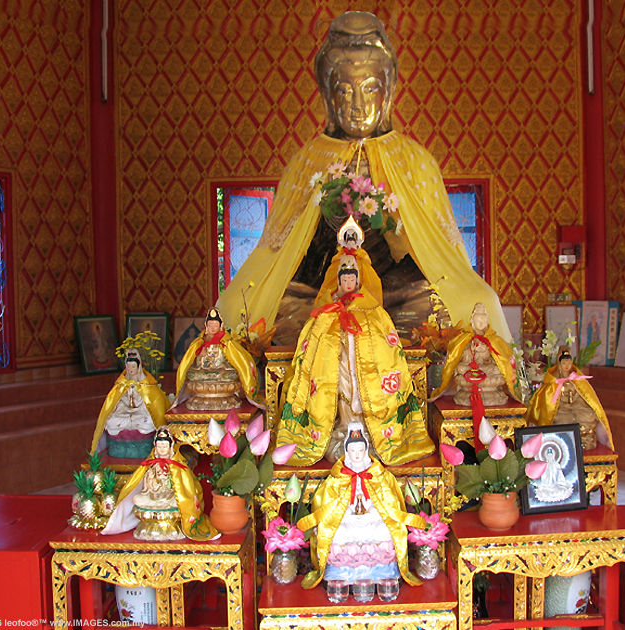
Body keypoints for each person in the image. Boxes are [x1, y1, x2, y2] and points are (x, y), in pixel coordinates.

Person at [216, 11, 510, 344]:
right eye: (344, 91)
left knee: (458, 307)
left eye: (370, 90)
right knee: (257, 310)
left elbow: (436, 254)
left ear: (389, 91)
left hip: (395, 292)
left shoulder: (414, 161)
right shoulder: (308, 161)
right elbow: (284, 256)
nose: (358, 105)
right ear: (328, 96)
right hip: (322, 288)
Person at [275, 218, 434, 466]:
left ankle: (370, 431)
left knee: (362, 391)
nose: (348, 282)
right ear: (338, 280)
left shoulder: (371, 310)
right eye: (344, 278)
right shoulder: (328, 311)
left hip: (362, 361)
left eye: (352, 278)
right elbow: (319, 336)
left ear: (359, 280)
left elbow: (384, 339)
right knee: (341, 394)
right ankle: (343, 428)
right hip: (339, 360)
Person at [296, 423, 425, 601]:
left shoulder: (378, 474)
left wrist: (372, 511)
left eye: (360, 450)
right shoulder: (338, 477)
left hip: (372, 515)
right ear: (346, 452)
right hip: (346, 517)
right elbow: (328, 504)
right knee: (338, 534)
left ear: (366, 450)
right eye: (353, 451)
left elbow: (388, 501)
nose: (357, 455)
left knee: (384, 531)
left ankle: (384, 575)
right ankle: (340, 577)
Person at [101, 427, 218, 540]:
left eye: (164, 446)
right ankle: (151, 523)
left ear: (170, 446)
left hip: (169, 497)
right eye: (159, 446)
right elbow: (146, 487)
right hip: (154, 496)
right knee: (137, 499)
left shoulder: (178, 466)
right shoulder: (151, 465)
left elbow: (185, 488)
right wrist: (153, 481)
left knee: (178, 503)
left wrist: (169, 486)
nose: (162, 449)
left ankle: (172, 525)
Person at [526, 347, 614, 451]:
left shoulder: (577, 379)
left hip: (577, 407)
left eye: (569, 363)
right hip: (561, 409)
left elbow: (586, 398)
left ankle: (586, 440)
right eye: (564, 363)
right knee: (563, 421)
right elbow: (549, 403)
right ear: (559, 363)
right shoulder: (553, 382)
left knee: (589, 416)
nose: (567, 366)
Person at [172, 307, 259, 409]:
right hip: (204, 374)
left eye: (215, 325)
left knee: (231, 375)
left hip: (222, 373)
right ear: (206, 325)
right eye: (210, 325)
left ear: (221, 326)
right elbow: (195, 363)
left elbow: (234, 362)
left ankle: (223, 396)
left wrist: (222, 366)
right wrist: (201, 355)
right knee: (192, 375)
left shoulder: (227, 342)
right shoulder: (199, 342)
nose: (212, 328)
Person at [89, 347, 169, 457]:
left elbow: (153, 405)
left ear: (138, 366)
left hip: (141, 414)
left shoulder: (147, 385)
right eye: (129, 366)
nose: (131, 369)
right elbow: (114, 403)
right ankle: (118, 449)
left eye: (133, 366)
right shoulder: (121, 384)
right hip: (124, 412)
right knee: (111, 421)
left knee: (148, 422)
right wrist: (125, 408)